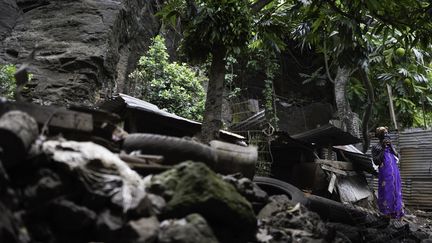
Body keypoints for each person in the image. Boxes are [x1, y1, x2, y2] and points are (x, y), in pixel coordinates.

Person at [371, 127, 404, 219]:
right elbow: (376, 161)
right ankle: (386, 214)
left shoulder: (390, 145)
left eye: (386, 132)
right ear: (379, 135)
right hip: (385, 174)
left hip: (395, 173)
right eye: (383, 133)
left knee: (396, 190)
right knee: (386, 191)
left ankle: (396, 213)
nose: (386, 134)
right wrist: (382, 147)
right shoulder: (375, 147)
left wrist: (390, 147)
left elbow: (398, 157)